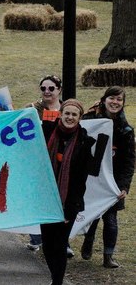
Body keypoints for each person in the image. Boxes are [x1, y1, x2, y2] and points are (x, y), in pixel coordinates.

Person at [41, 99, 105, 285]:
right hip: (45, 198)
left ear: (80, 118)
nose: (69, 117)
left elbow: (80, 181)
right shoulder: (47, 132)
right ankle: (55, 277)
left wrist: (70, 209)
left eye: (74, 115)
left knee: (59, 244)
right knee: (47, 244)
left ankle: (57, 282)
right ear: (60, 113)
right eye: (66, 113)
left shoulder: (84, 142)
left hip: (68, 202)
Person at [81, 86, 135, 268]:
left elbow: (129, 161)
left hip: (113, 180)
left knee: (111, 219)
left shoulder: (126, 129)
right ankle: (88, 241)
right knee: (93, 214)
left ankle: (108, 256)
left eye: (119, 99)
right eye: (112, 98)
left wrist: (124, 186)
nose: (115, 102)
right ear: (104, 100)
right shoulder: (90, 119)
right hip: (93, 176)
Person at [25, 74, 63, 251]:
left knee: (59, 200)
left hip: (60, 162)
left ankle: (63, 241)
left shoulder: (67, 109)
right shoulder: (32, 109)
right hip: (37, 162)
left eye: (51, 88)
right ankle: (36, 237)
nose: (47, 91)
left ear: (59, 90)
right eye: (43, 88)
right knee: (37, 199)